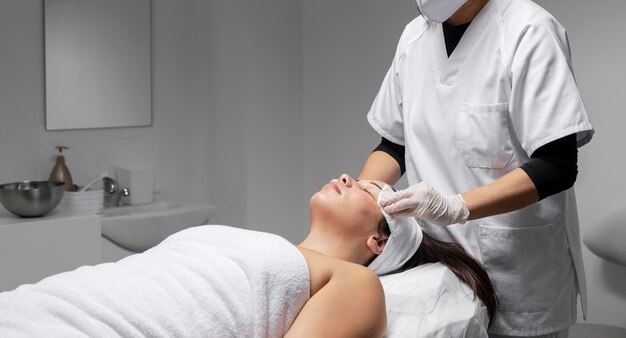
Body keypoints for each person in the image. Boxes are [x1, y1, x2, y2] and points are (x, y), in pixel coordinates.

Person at [358, 0, 594, 337]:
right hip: (439, 269)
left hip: (516, 271)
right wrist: (362, 200)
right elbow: (394, 144)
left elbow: (557, 165)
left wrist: (456, 207)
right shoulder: (415, 38)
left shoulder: (529, 32)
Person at [0, 174, 496, 338]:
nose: (347, 176)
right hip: (38, 308)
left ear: (379, 242)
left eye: (368, 189)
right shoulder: (257, 243)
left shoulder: (353, 282)